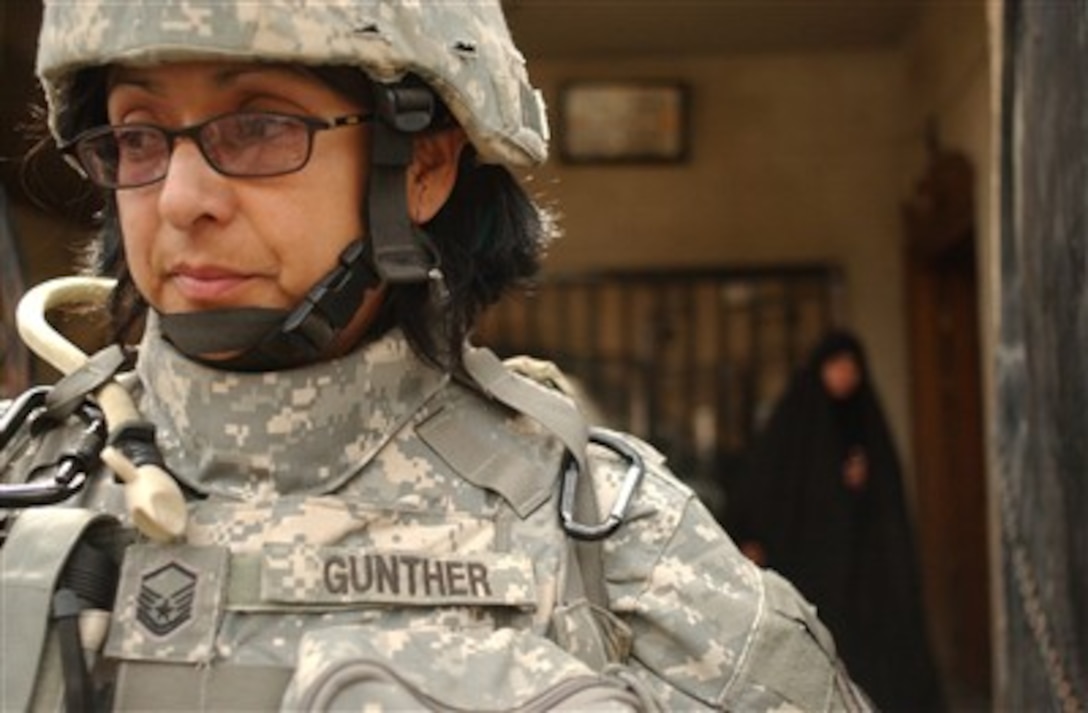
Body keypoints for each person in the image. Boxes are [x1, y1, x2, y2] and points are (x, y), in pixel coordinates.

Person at [0, 2, 871, 710]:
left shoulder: (610, 536)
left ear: (421, 165)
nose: (183, 199)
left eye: (258, 127)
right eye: (139, 137)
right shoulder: (23, 481)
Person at [731, 330, 943, 712]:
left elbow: (887, 501)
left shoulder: (866, 423)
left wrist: (863, 483)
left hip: (863, 573)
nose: (845, 375)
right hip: (806, 566)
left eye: (852, 367)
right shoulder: (795, 424)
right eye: (836, 366)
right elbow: (764, 487)